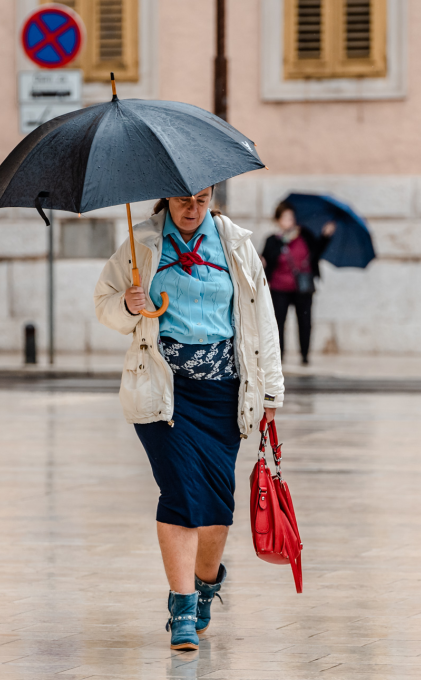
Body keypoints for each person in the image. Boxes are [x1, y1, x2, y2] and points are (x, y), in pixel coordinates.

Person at [95, 187, 284, 652]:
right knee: (179, 492)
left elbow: (263, 319)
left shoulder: (236, 244)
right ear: (166, 198)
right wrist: (128, 305)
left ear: (212, 196)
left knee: (218, 508)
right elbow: (104, 302)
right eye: (182, 199)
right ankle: (181, 608)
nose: (191, 209)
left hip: (224, 392)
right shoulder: (142, 245)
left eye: (201, 199)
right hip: (164, 391)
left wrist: (272, 388)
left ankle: (204, 586)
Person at [261, 201, 334, 365]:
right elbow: (266, 260)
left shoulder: (305, 235)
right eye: (285, 218)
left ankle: (305, 355)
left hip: (303, 287)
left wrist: (325, 236)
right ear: (278, 220)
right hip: (279, 287)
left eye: (291, 218)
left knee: (305, 322)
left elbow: (316, 252)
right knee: (278, 323)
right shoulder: (273, 240)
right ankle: (279, 355)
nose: (289, 221)